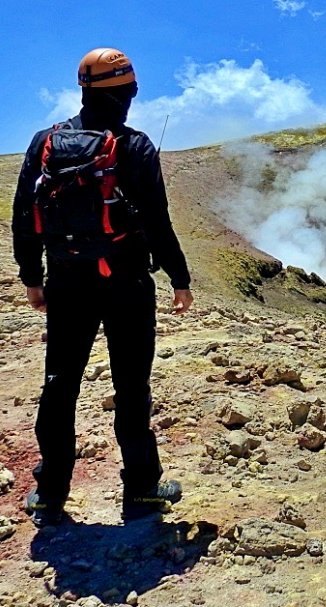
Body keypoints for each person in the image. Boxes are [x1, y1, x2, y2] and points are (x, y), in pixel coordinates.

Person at [11, 48, 193, 526]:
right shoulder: (134, 146)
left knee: (59, 384)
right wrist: (180, 278)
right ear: (129, 92)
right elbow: (157, 220)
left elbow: (22, 219)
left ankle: (50, 491)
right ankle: (142, 489)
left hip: (67, 282)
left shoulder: (43, 142)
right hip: (127, 284)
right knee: (131, 385)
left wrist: (33, 279)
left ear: (84, 89)